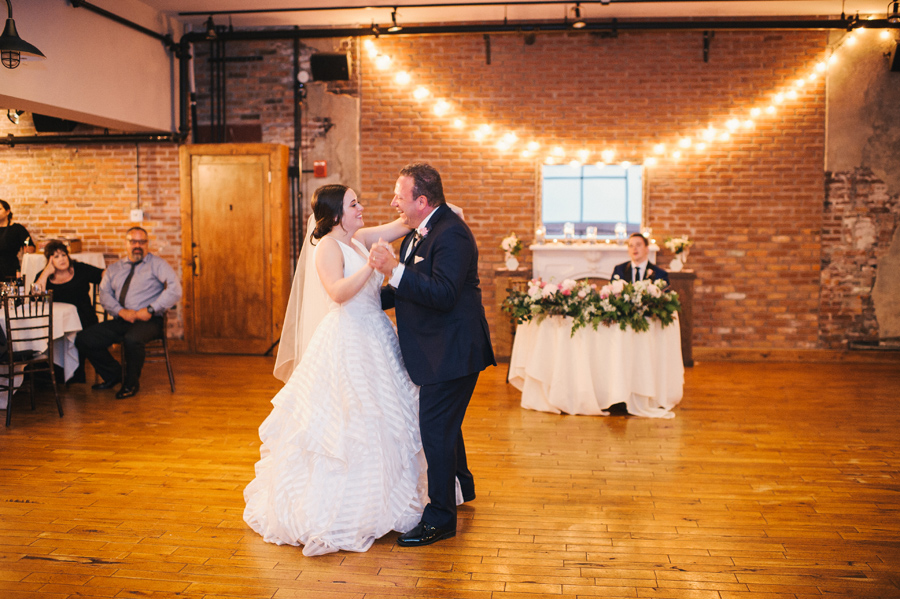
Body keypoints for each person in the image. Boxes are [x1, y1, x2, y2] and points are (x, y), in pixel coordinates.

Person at [243, 184, 429, 557]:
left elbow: (400, 225)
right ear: (334, 214)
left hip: (376, 333)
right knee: (348, 420)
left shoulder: (359, 238)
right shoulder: (327, 246)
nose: (361, 207)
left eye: (359, 200)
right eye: (353, 203)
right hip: (347, 335)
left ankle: (390, 496)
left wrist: (438, 210)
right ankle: (347, 510)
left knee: (386, 418)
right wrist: (372, 269)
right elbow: (338, 293)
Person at [368, 162, 495, 548]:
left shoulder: (452, 235)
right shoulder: (419, 232)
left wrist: (394, 270)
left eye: (399, 196)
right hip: (439, 348)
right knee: (446, 425)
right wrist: (369, 299)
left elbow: (441, 294)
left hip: (452, 351)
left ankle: (439, 517)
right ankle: (463, 485)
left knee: (435, 430)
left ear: (422, 201)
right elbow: (413, 287)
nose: (394, 203)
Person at [75, 227, 181, 399]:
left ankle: (131, 383)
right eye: (133, 241)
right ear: (126, 244)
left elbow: (175, 290)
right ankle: (115, 375)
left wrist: (150, 309)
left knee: (132, 339)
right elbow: (104, 294)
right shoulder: (115, 268)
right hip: (122, 318)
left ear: (147, 244)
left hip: (149, 321)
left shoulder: (158, 265)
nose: (137, 245)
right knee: (84, 339)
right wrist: (121, 311)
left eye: (142, 242)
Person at [34, 240, 105, 383]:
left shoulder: (79, 268)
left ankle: (74, 373)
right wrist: (46, 272)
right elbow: (35, 296)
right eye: (56, 256)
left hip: (84, 318)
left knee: (82, 337)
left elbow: (102, 274)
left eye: (63, 255)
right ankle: (53, 373)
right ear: (49, 260)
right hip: (58, 323)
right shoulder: (45, 276)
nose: (61, 259)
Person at [0, 199, 35, 281]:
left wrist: (27, 249)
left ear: (7, 211)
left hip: (9, 268)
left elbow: (30, 246)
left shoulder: (17, 229)